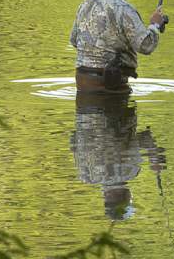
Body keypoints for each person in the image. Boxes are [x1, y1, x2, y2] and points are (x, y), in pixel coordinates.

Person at [69, 0, 168, 93]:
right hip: (110, 84)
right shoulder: (125, 9)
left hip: (82, 82)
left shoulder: (86, 3)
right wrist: (155, 25)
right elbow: (146, 46)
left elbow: (74, 40)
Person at [70, 92, 167, 220]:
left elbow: (144, 138)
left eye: (130, 201)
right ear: (105, 198)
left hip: (114, 112)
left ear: (125, 197)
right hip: (82, 111)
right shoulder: (84, 176)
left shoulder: (129, 172)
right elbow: (73, 139)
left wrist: (154, 156)